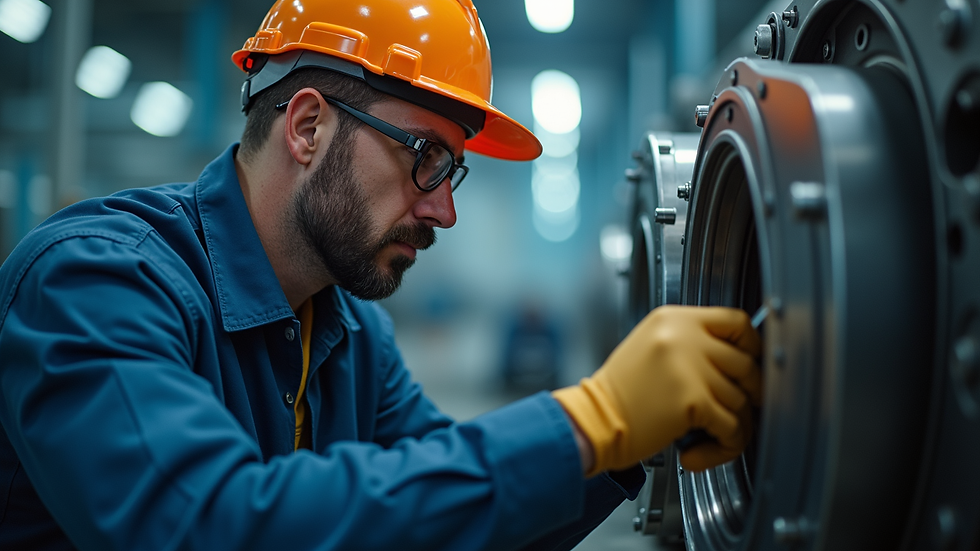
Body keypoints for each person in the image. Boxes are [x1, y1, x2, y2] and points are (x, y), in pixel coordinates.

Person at [0, 1, 762, 549]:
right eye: (425, 158)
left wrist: (621, 446)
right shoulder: (94, 283)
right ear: (306, 127)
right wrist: (590, 420)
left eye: (451, 172)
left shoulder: (348, 330)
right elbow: (212, 521)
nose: (443, 210)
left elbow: (459, 517)